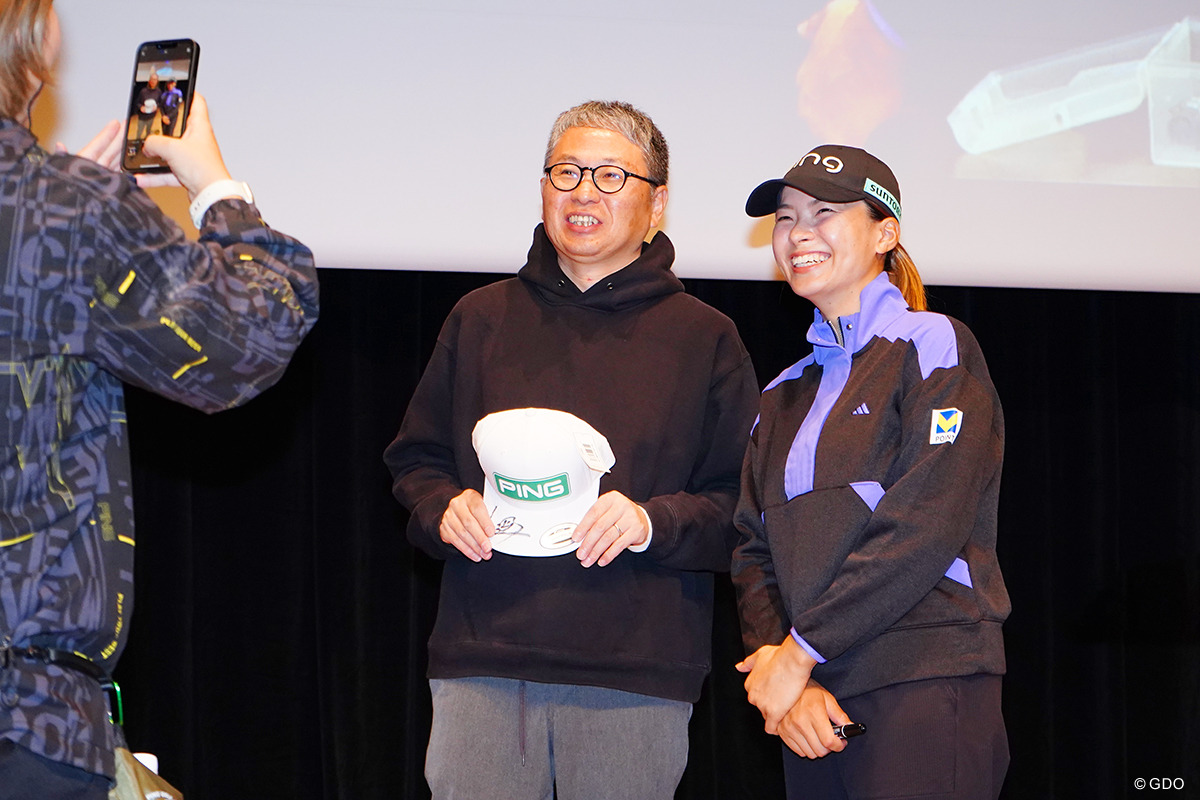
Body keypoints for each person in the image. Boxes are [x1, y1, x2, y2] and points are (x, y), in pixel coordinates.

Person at [384, 100, 759, 799]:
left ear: (657, 205)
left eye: (611, 176)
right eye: (566, 172)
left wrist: (652, 522)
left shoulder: (705, 338)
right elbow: (416, 461)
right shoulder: (480, 318)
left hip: (635, 672)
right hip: (483, 659)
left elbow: (742, 504)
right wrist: (443, 507)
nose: (584, 191)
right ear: (543, 189)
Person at [0, 2, 319, 797]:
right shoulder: (64, 211)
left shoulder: (60, 211)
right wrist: (216, 189)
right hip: (22, 714)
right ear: (37, 46)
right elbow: (249, 338)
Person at [731, 145, 1010, 799]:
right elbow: (751, 548)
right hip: (817, 702)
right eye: (786, 217)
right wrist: (788, 671)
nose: (799, 233)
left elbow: (927, 519)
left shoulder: (934, 343)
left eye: (824, 212)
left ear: (885, 232)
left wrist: (798, 654)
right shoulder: (780, 394)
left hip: (923, 672)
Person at [133, 71, 160, 139]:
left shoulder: (158, 92)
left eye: (155, 79)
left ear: (157, 81)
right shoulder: (143, 91)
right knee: (139, 134)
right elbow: (137, 102)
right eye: (152, 79)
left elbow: (160, 103)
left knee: (148, 134)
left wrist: (156, 106)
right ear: (149, 81)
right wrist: (141, 107)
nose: (153, 81)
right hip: (142, 117)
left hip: (151, 117)